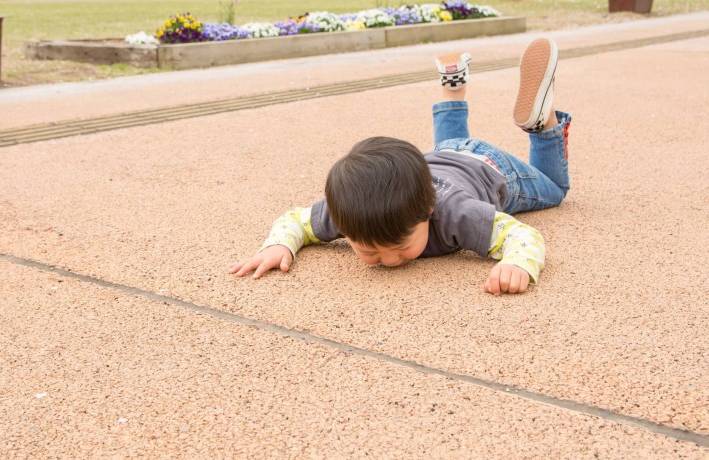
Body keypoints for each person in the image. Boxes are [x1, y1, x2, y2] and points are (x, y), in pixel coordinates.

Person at [229, 37, 571, 296]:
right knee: (445, 148)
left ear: (429, 210)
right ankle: (452, 86)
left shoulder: (458, 214)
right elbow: (296, 221)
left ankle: (543, 127)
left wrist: (516, 262)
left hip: (491, 167)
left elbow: (521, 235)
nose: (390, 261)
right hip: (443, 155)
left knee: (555, 191)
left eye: (402, 246)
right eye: (368, 250)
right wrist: (279, 245)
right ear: (345, 231)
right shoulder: (352, 213)